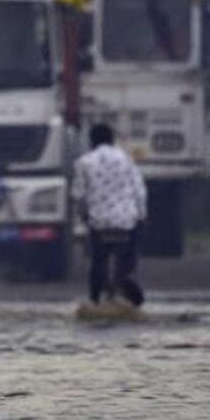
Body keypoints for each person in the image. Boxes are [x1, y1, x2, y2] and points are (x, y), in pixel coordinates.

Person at [72, 122, 147, 305]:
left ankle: (96, 297)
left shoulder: (84, 162)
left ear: (91, 141)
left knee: (99, 259)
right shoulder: (126, 159)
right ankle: (126, 276)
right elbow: (139, 190)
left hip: (99, 221)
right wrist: (142, 215)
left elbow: (78, 194)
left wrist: (83, 215)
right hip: (126, 219)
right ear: (112, 140)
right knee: (128, 254)